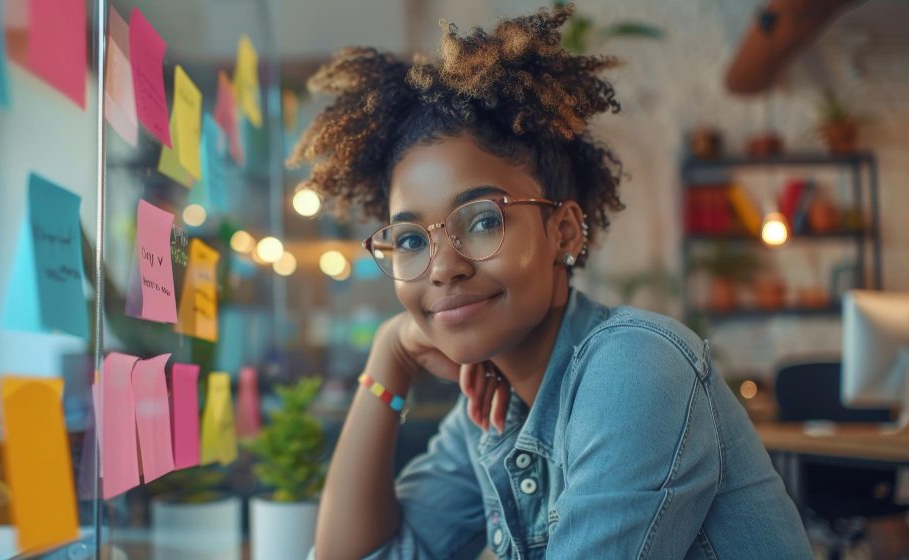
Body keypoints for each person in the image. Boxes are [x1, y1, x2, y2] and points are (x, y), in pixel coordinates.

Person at [289, 5, 813, 559]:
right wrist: (389, 354)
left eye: (483, 221)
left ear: (562, 231)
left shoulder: (635, 366)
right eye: (411, 239)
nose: (442, 267)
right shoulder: (489, 416)